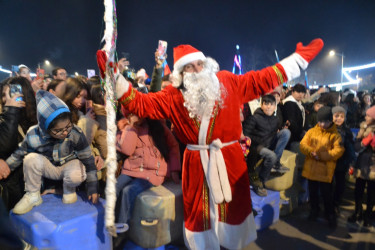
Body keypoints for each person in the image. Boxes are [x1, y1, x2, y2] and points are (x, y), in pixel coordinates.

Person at [98, 38, 323, 249]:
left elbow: (261, 79)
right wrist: (114, 77)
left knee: (232, 211)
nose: (197, 69)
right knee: (200, 213)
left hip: (230, 159)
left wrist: (297, 60)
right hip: (197, 162)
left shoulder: (228, 81)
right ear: (180, 72)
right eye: (189, 67)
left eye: (199, 64)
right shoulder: (172, 95)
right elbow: (140, 103)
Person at [0, 90, 99, 214]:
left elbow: (88, 159)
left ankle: (68, 190)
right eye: (58, 130)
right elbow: (19, 154)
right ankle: (33, 195)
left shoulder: (75, 133)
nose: (65, 132)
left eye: (68, 126)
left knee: (77, 169)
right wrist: (6, 167)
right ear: (46, 129)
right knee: (30, 158)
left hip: (69, 168)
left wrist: (93, 187)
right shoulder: (34, 135)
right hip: (49, 169)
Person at [115, 87, 181, 227]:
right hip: (132, 169)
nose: (136, 116)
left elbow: (173, 147)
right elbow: (127, 149)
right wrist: (131, 126)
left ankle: (122, 225)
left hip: (152, 172)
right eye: (132, 112)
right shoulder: (125, 128)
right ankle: (110, 220)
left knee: (128, 191)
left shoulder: (159, 127)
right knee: (115, 187)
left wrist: (174, 169)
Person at [300, 106, 344, 227]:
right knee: (313, 193)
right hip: (311, 168)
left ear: (330, 121)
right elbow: (303, 144)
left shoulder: (335, 135)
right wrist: (310, 151)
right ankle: (314, 210)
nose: (322, 124)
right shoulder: (311, 131)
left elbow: (338, 151)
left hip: (325, 170)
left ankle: (329, 213)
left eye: (325, 121)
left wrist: (322, 155)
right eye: (320, 121)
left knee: (327, 194)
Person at [0, 77, 38, 211]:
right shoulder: (4, 118)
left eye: (11, 94)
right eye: (4, 95)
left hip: (32, 188)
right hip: (10, 191)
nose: (6, 99)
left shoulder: (36, 120)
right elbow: (4, 147)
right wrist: (11, 112)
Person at [243, 94, 291, 196]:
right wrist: (259, 141)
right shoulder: (254, 118)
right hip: (257, 146)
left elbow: (276, 133)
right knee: (271, 155)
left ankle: (275, 163)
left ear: (275, 106)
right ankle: (261, 180)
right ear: (261, 105)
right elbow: (246, 134)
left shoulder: (275, 119)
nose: (268, 107)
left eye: (271, 104)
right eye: (266, 104)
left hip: (269, 143)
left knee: (286, 132)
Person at [348, 106, 375, 226]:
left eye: (369, 115)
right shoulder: (363, 127)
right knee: (358, 189)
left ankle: (368, 216)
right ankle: (357, 212)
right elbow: (356, 146)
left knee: (372, 191)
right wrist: (363, 142)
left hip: (373, 165)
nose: (366, 117)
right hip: (362, 163)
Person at [332, 106, 356, 214]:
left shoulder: (347, 131)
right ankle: (328, 205)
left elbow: (350, 148)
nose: (339, 119)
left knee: (340, 185)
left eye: (341, 116)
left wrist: (350, 162)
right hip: (327, 161)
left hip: (341, 162)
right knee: (327, 185)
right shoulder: (326, 129)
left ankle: (336, 204)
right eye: (336, 116)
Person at [282, 83, 307, 147]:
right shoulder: (289, 103)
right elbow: (292, 122)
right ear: (292, 92)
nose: (300, 94)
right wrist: (301, 132)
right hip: (292, 137)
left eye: (302, 92)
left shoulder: (298, 103)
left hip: (297, 134)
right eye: (298, 92)